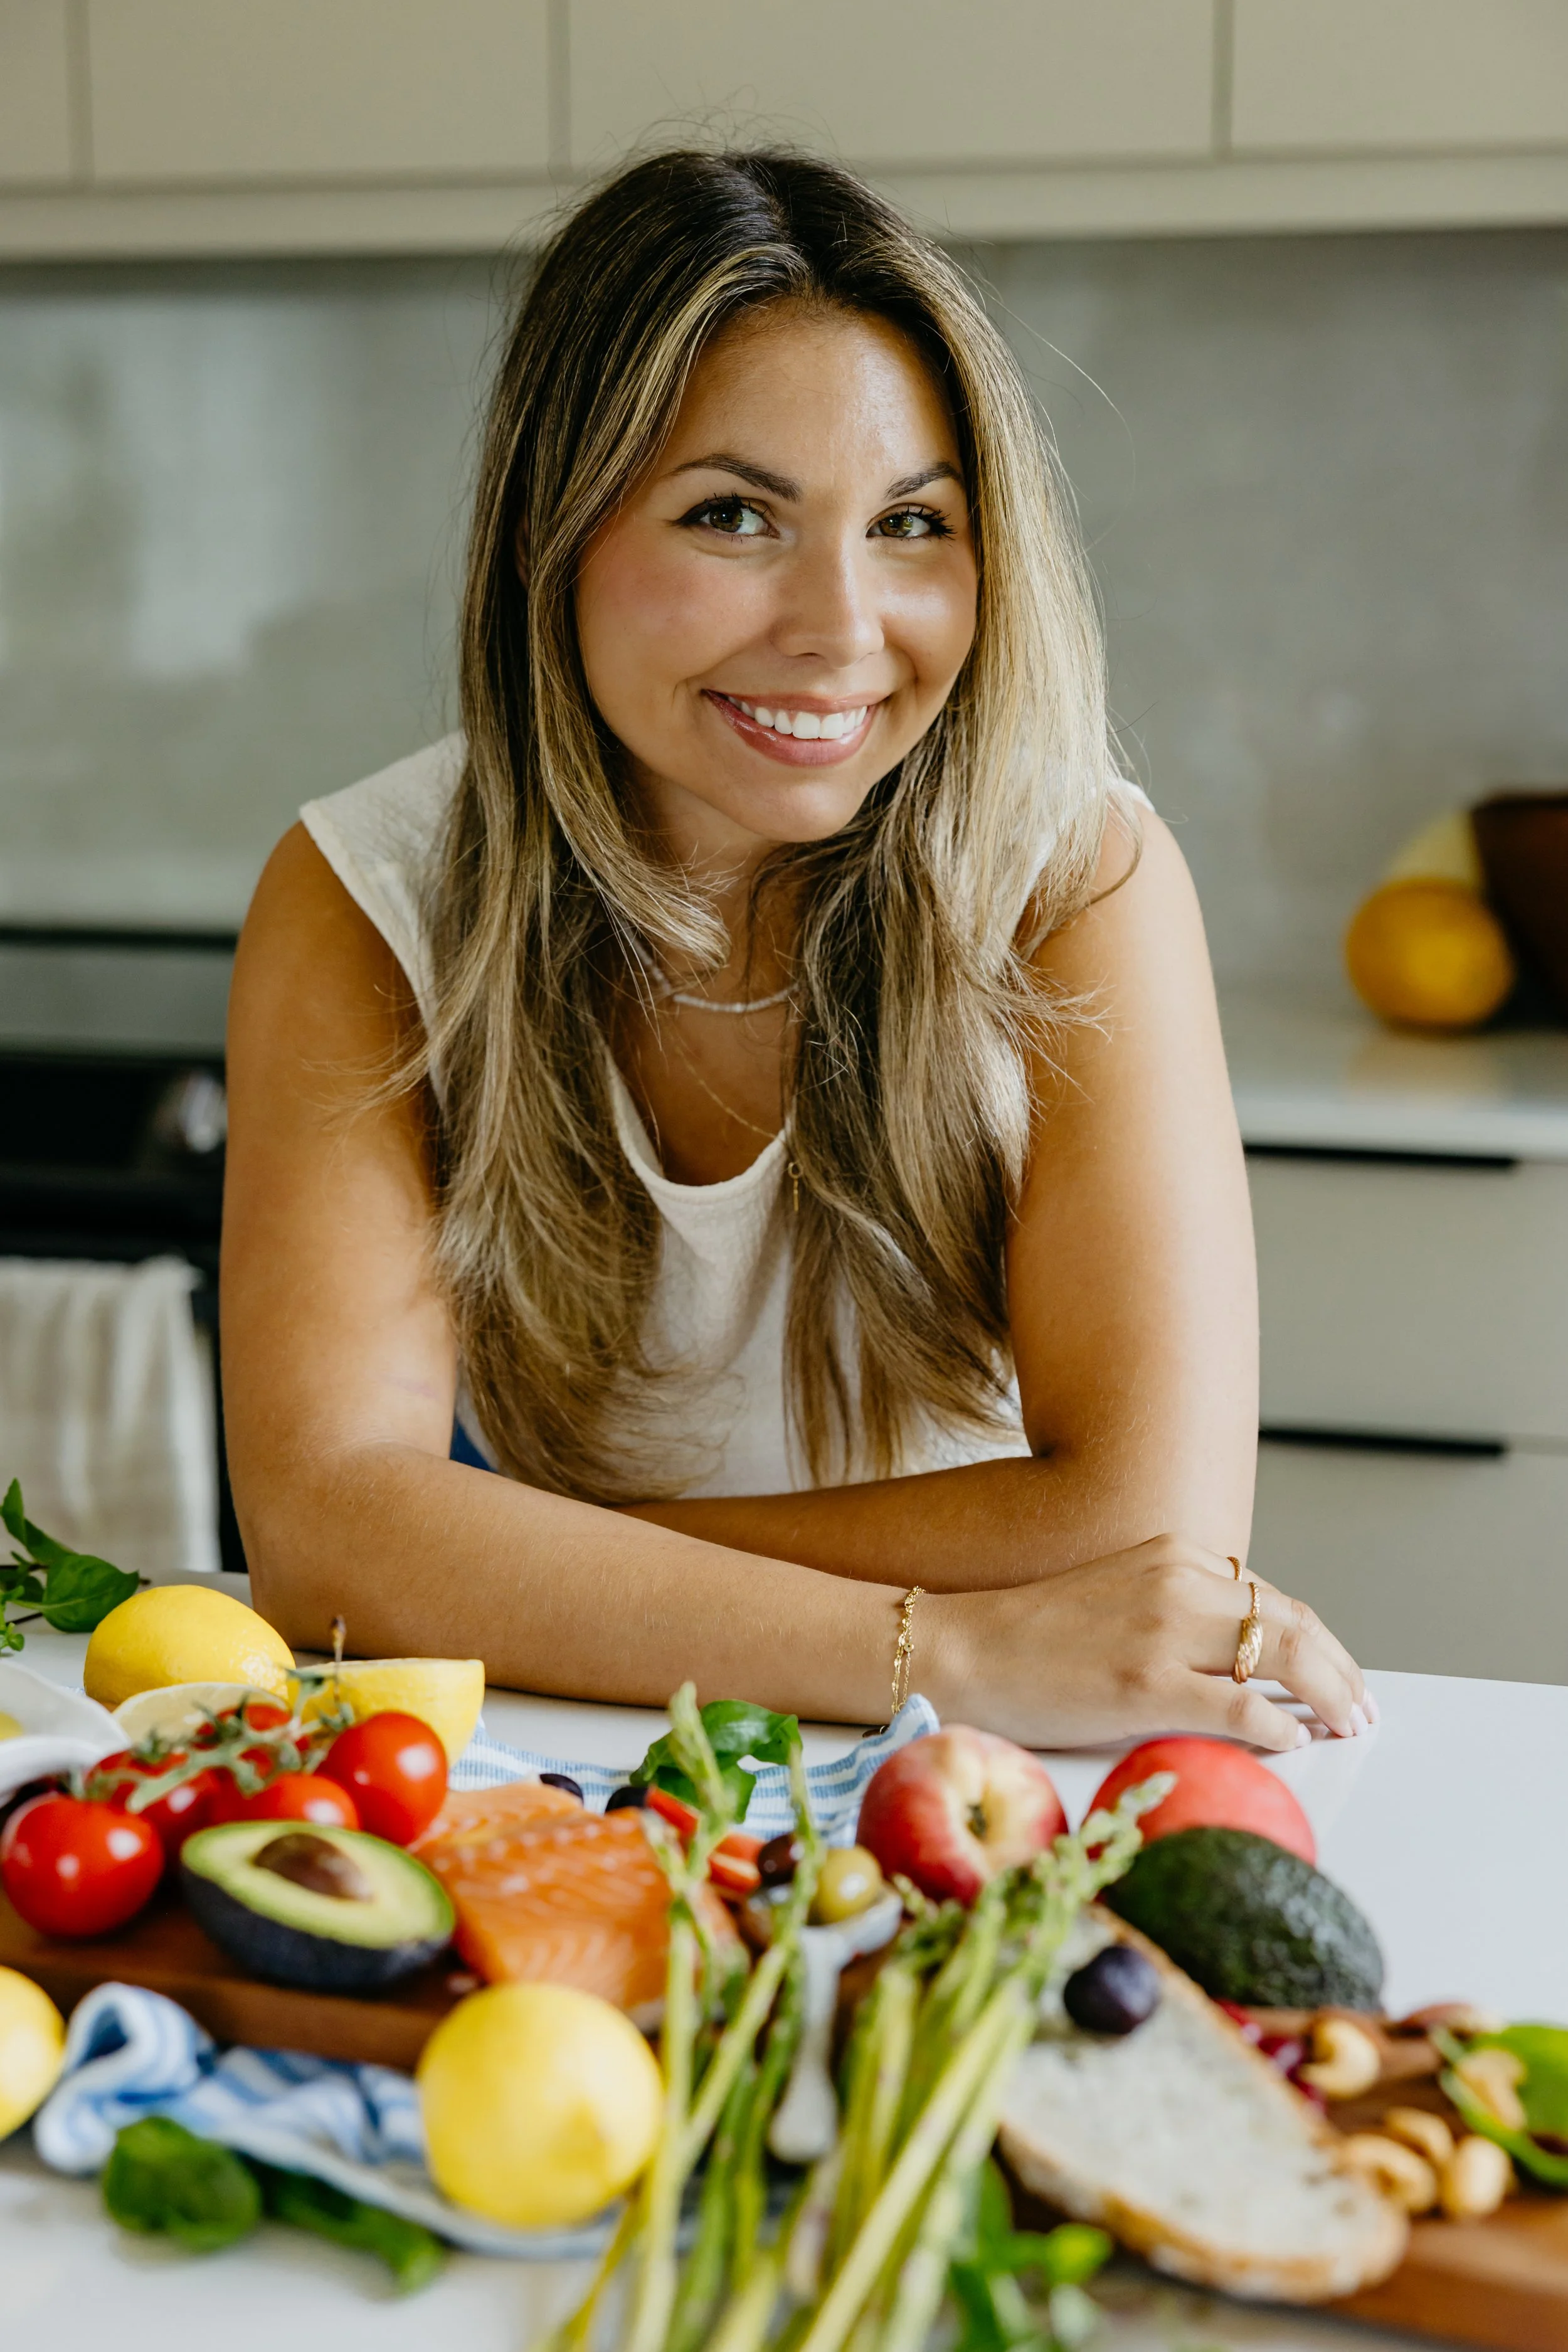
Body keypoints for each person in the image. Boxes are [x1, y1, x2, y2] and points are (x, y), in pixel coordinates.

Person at [223, 148, 1371, 1752]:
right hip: (585, 1756)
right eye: (732, 515)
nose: (840, 627)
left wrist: (504, 1568)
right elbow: (332, 1536)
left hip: (981, 1775)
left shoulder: (1073, 881)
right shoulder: (364, 894)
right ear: (551, 537)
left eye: (911, 522)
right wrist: (942, 1648)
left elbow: (1146, 1526)